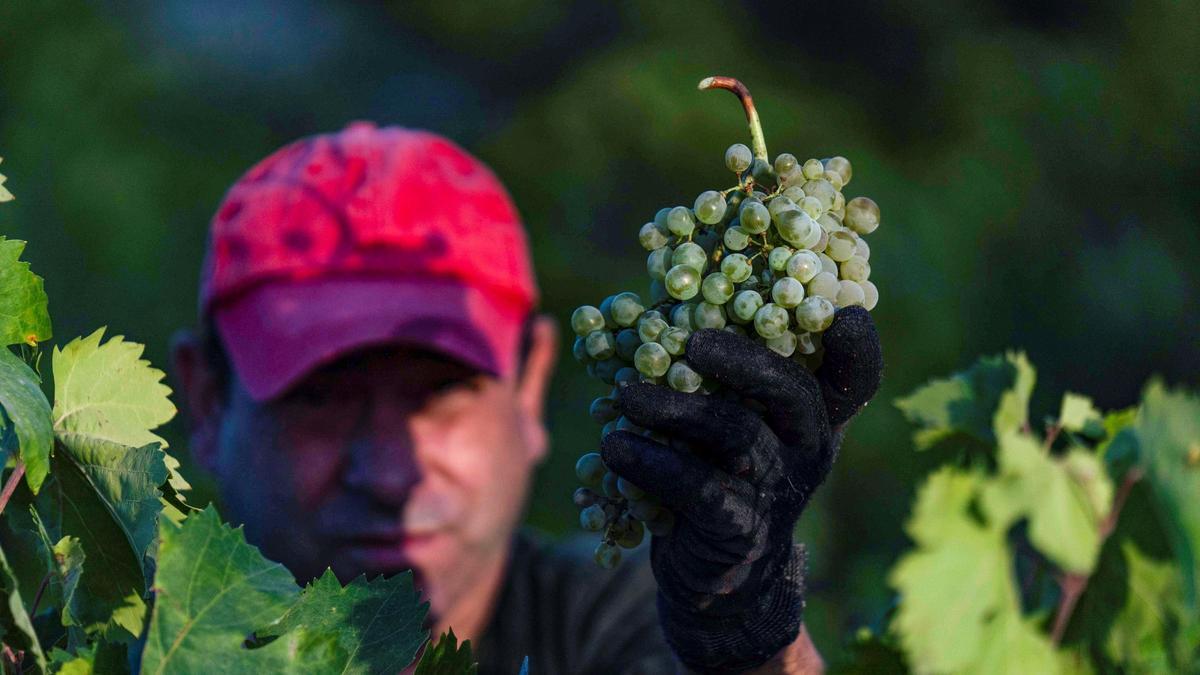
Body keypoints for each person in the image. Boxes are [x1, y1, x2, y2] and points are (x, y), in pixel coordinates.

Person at [171, 122, 882, 674]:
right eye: (320, 397)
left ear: (531, 384)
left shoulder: (617, 623)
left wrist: (748, 644)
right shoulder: (110, 632)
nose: (392, 473)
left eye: (442, 393)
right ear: (206, 402)